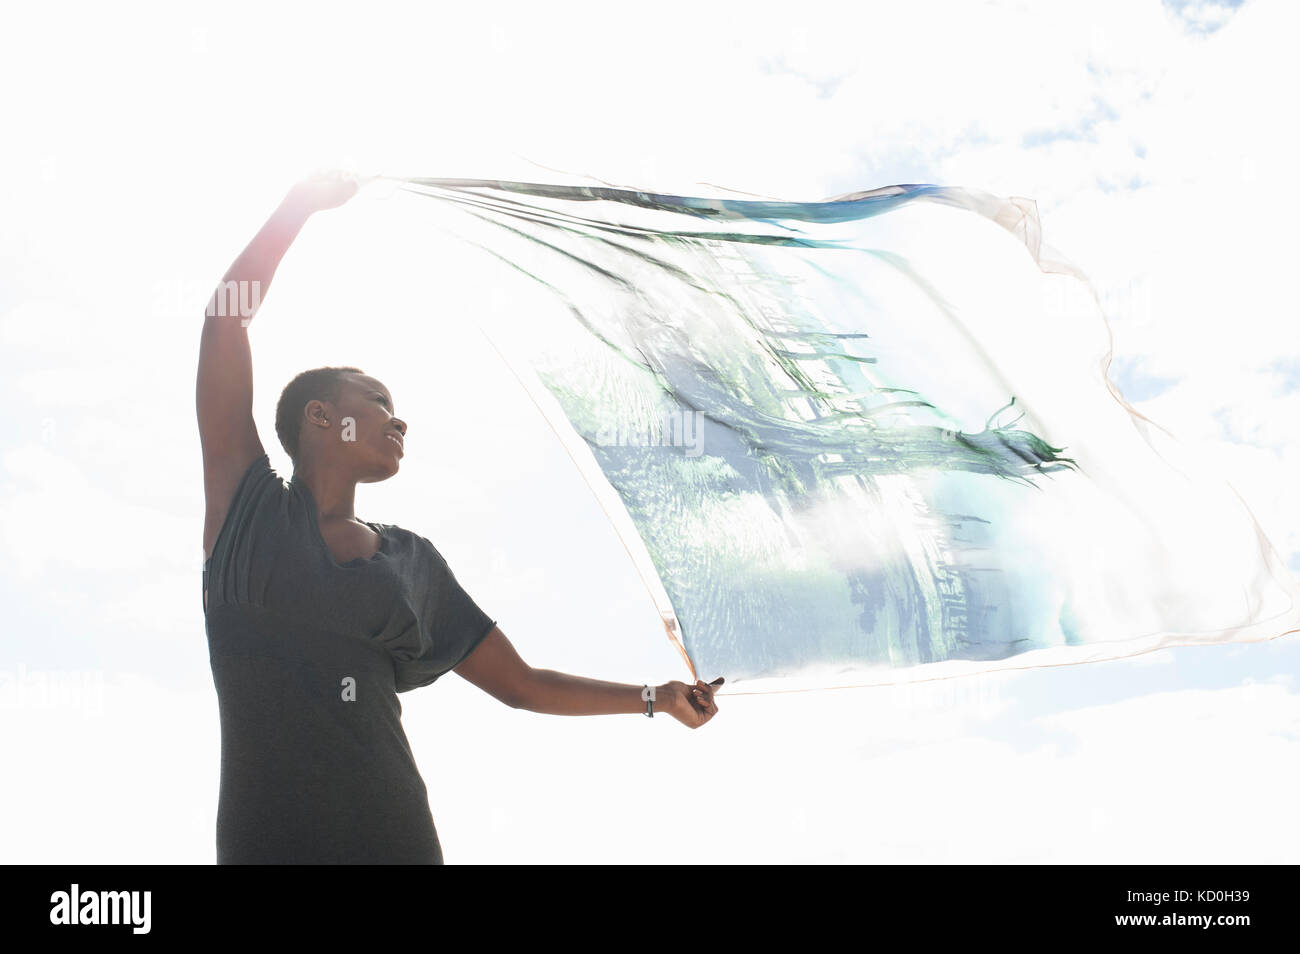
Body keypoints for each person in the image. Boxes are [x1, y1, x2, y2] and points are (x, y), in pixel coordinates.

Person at [197, 172, 722, 864]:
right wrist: (299, 205)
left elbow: (523, 685)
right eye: (377, 400)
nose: (399, 417)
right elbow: (225, 319)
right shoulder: (247, 508)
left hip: (397, 841)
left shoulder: (411, 562)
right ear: (321, 418)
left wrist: (656, 698)